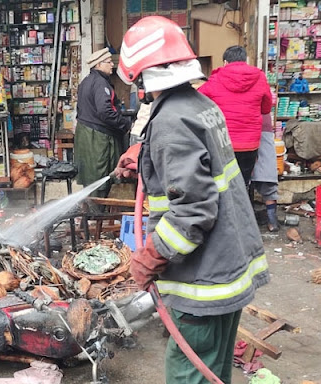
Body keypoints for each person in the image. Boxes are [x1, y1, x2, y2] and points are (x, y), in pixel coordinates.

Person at [115, 16, 270, 383]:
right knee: (213, 365)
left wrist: (153, 254)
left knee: (190, 372)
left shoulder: (170, 121)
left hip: (203, 280)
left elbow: (194, 210)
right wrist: (148, 154)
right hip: (228, 265)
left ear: (141, 77)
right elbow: (204, 169)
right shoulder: (199, 105)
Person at [198, 46, 272, 187]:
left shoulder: (215, 79)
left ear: (225, 62)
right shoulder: (260, 77)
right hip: (250, 143)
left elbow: (197, 103)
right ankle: (244, 207)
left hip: (223, 142)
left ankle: (227, 208)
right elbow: (266, 108)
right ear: (245, 60)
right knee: (243, 182)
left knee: (223, 183)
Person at [74, 47, 131, 198]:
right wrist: (125, 124)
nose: (112, 65)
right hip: (98, 137)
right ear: (98, 65)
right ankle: (99, 213)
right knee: (100, 173)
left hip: (87, 132)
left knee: (91, 175)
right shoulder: (100, 83)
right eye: (108, 62)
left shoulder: (86, 81)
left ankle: (92, 214)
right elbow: (105, 111)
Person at [252, 113, 280, 232]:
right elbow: (267, 104)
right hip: (262, 127)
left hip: (239, 130)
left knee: (242, 185)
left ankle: (247, 223)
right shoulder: (262, 94)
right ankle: (272, 222)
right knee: (268, 182)